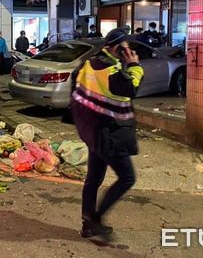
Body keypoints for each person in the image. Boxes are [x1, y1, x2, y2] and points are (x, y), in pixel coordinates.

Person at [70, 27, 143, 245]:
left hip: (91, 131)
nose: (128, 50)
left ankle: (87, 225)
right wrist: (135, 66)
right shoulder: (111, 70)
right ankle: (95, 219)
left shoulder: (89, 64)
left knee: (93, 179)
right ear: (114, 49)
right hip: (109, 134)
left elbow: (75, 91)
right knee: (128, 177)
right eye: (125, 47)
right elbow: (131, 89)